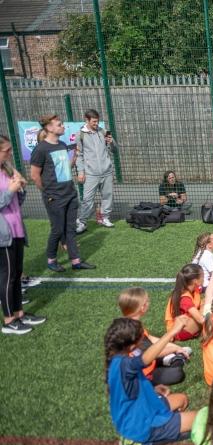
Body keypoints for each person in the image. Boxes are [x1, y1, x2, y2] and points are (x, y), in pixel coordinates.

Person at [104, 316, 197, 445]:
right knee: (203, 418)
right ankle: (145, 439)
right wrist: (172, 332)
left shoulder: (116, 359)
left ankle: (168, 426)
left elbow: (128, 389)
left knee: (182, 399)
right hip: (142, 424)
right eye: (140, 338)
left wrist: (152, 390)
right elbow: (145, 359)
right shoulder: (125, 364)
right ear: (131, 345)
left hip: (141, 410)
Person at [29, 114, 95, 272]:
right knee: (57, 230)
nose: (63, 126)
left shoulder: (62, 144)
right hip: (54, 197)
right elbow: (34, 175)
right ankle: (51, 260)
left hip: (70, 194)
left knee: (70, 229)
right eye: (59, 124)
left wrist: (75, 157)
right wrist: (47, 193)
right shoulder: (41, 149)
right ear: (49, 128)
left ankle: (76, 261)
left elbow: (65, 168)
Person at [0, 135, 45, 335]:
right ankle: (9, 320)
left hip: (16, 229)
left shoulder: (6, 170)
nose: (10, 154)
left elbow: (15, 201)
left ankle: (19, 313)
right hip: (3, 233)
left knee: (17, 275)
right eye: (6, 150)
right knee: (7, 277)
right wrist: (10, 190)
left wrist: (20, 188)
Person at [118, 287, 189, 386]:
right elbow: (149, 353)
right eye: (147, 301)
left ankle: (171, 359)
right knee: (177, 373)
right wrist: (173, 348)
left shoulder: (130, 323)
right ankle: (171, 360)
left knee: (176, 355)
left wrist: (171, 345)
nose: (149, 302)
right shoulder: (130, 331)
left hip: (146, 360)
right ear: (142, 307)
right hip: (142, 373)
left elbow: (149, 338)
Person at [76, 109, 117, 233]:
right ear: (86, 120)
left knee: (107, 196)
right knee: (87, 199)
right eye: (94, 121)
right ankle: (82, 222)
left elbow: (114, 150)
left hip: (107, 171)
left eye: (97, 121)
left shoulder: (103, 131)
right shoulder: (80, 135)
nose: (96, 124)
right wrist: (81, 171)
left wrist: (112, 142)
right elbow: (79, 155)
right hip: (91, 173)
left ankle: (105, 218)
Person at [164, 263, 205, 341]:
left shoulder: (192, 288)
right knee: (208, 308)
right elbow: (200, 320)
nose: (204, 278)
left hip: (186, 323)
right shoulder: (185, 299)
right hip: (178, 332)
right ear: (195, 281)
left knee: (208, 302)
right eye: (202, 276)